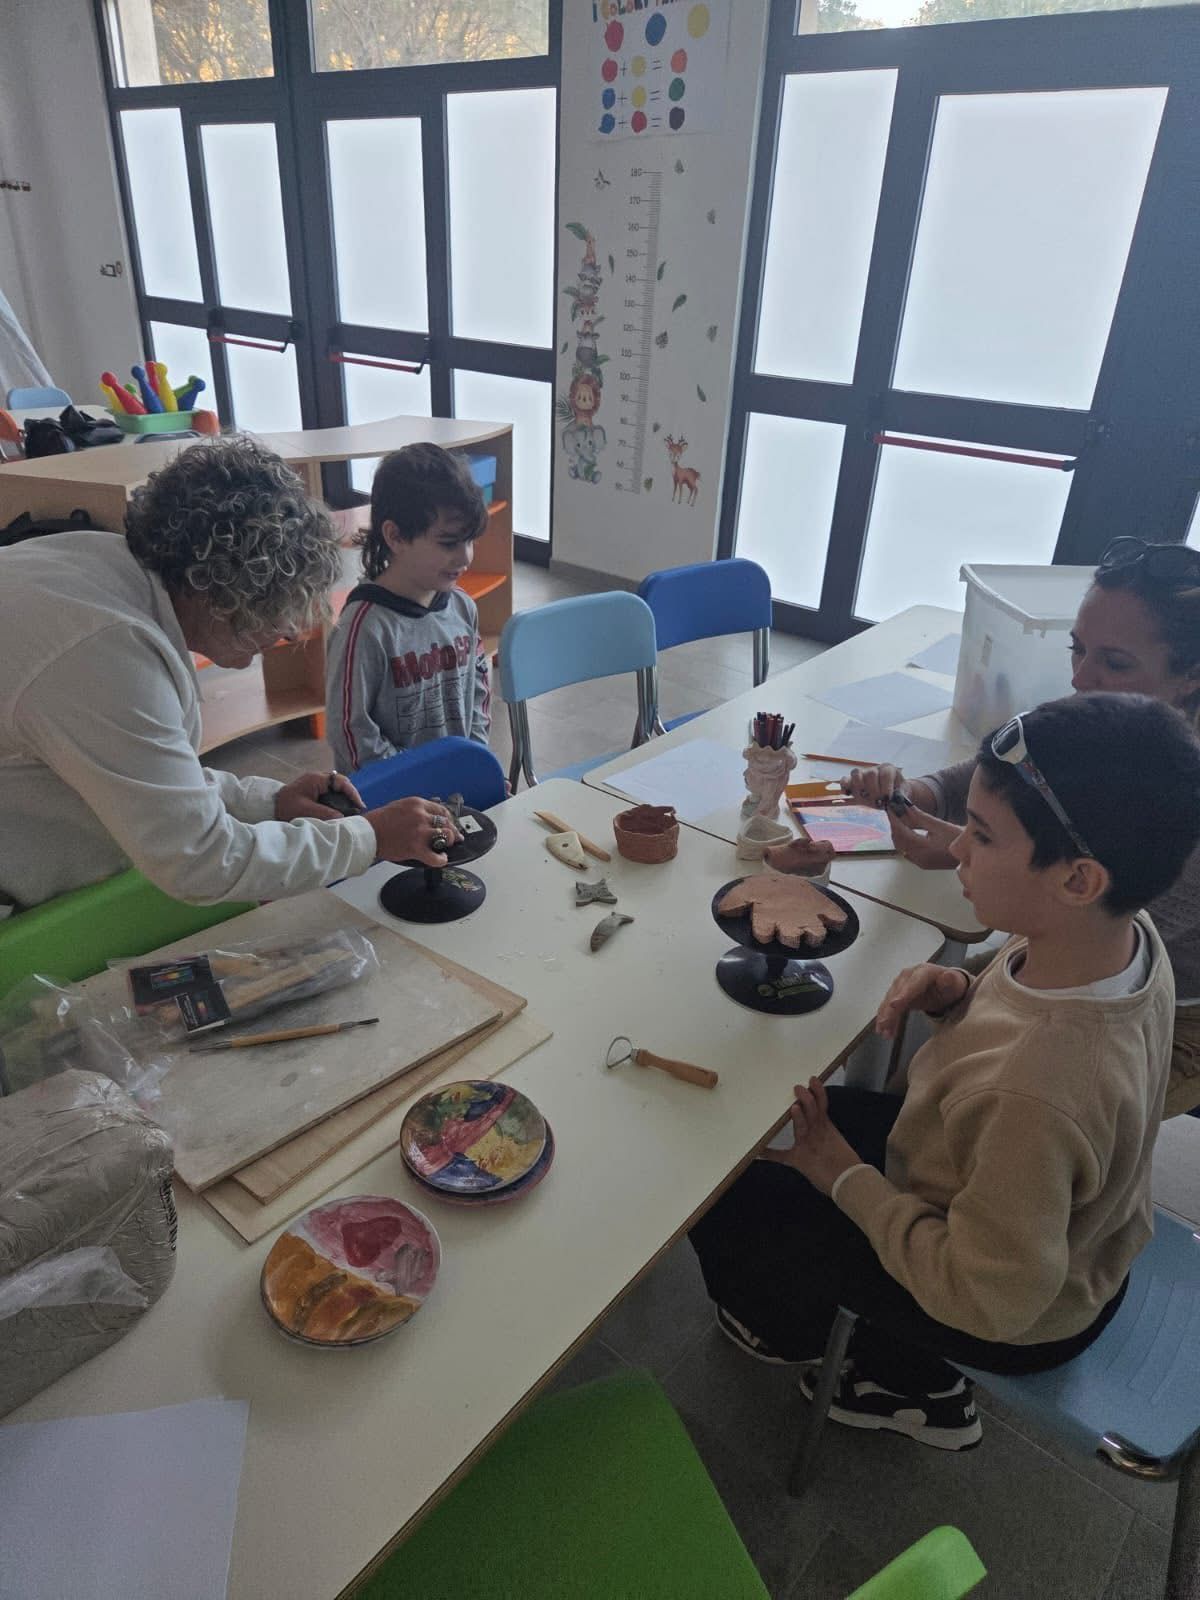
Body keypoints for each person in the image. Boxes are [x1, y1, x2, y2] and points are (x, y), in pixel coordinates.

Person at [692, 694, 1200, 1453]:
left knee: (729, 1192)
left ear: (1078, 880)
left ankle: (897, 1379)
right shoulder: (1125, 933)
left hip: (1012, 1310)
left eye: (983, 836)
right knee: (785, 1125)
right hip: (1059, 1234)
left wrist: (842, 1177)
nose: (957, 848)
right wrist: (962, 987)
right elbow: (1025, 983)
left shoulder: (1037, 1088)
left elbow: (987, 1298)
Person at [0, 436, 460, 914]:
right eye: (279, 610)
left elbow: (141, 769)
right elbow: (199, 860)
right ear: (220, 591)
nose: (288, 632)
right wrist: (370, 837)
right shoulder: (105, 653)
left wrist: (269, 802)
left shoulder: (106, 564)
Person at [843, 538, 1200, 1116]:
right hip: (1071, 951)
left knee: (966, 1093)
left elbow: (1096, 926)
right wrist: (921, 794)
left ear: (1190, 675)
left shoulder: (1178, 797)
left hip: (1167, 1009)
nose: (1081, 679)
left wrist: (967, 853)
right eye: (1076, 649)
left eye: (1114, 663)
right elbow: (1023, 761)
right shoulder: (1116, 714)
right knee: (932, 1075)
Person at [326, 444, 491, 775]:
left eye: (469, 540)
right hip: (390, 797)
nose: (465, 557)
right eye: (448, 543)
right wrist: (414, 781)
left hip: (454, 786)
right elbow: (351, 732)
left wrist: (474, 760)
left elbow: (479, 694)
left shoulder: (463, 608)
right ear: (396, 536)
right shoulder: (364, 627)